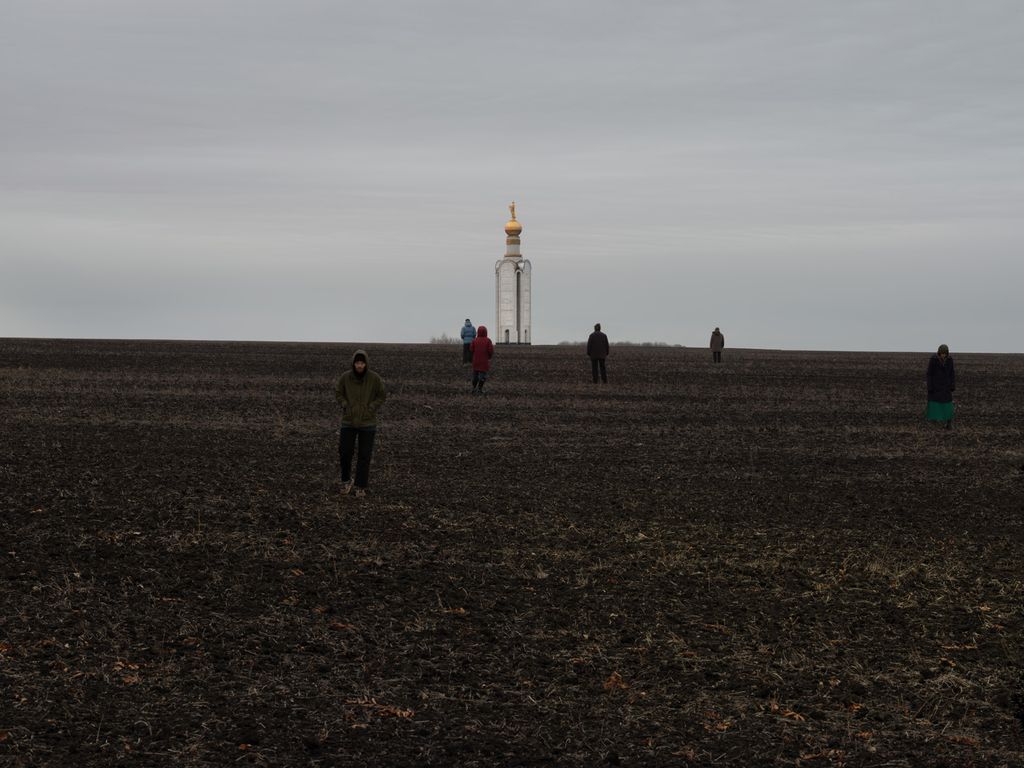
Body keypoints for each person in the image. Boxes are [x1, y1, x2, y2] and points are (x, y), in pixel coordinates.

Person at [335, 350, 386, 498]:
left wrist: (371, 407)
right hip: (348, 421)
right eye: (357, 363)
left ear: (366, 364)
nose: (359, 365)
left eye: (362, 363)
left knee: (364, 455)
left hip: (367, 423)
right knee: (345, 452)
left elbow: (382, 395)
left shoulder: (374, 379)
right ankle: (346, 481)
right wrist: (345, 405)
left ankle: (360, 486)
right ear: (353, 363)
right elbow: (338, 392)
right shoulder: (345, 377)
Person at [925, 344, 955, 429]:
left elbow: (952, 373)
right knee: (934, 405)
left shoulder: (950, 360)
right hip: (935, 387)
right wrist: (930, 386)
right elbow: (929, 374)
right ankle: (933, 423)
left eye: (945, 353)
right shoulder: (933, 359)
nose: (943, 355)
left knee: (948, 405)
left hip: (946, 387)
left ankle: (949, 423)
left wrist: (952, 385)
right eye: (942, 353)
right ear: (939, 352)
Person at [470, 325, 494, 394]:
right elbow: (491, 351)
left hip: (476, 361)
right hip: (484, 361)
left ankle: (474, 388)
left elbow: (471, 349)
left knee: (475, 375)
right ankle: (479, 389)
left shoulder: (474, 340)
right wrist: (489, 357)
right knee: (482, 376)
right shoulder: (488, 340)